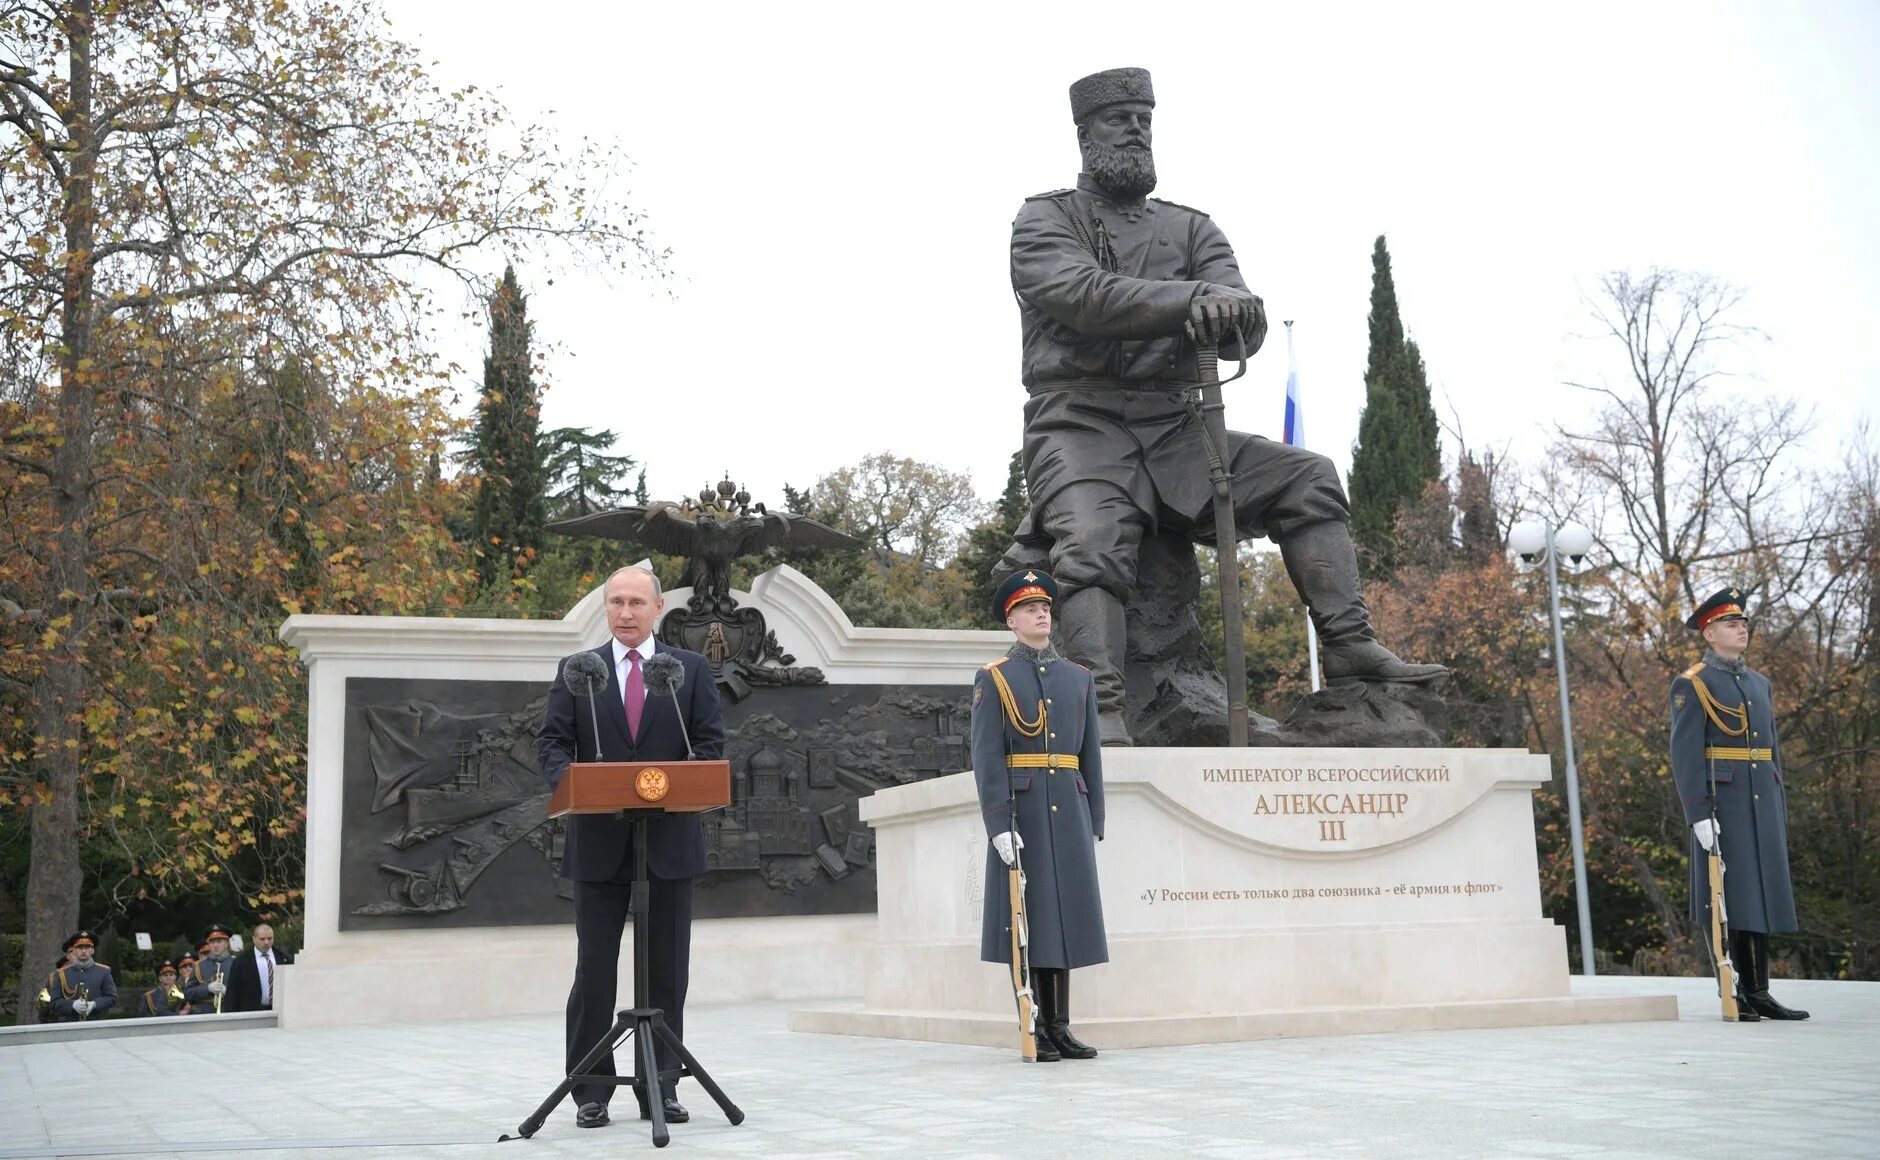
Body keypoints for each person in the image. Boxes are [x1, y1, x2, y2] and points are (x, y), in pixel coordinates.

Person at [1001, 67, 1444, 745]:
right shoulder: (1044, 219)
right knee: (1090, 540)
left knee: (1310, 476)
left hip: (1179, 429)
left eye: (1144, 120)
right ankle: (1100, 704)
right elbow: (1081, 295)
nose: (1136, 131)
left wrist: (1238, 320)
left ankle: (1350, 646)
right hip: (1081, 423)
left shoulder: (1191, 229)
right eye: (1120, 121)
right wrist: (1189, 301)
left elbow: (1242, 311)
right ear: (1086, 135)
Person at [538, 565, 726, 1129]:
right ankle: (590, 1090)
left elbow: (710, 745)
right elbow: (550, 742)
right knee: (594, 971)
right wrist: (569, 784)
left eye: (636, 602)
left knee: (668, 971)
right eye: (616, 601)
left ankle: (661, 1086)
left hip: (668, 844)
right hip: (598, 845)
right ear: (605, 607)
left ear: (658, 607)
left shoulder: (689, 671)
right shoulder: (579, 671)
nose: (625, 612)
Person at [973, 569, 1107, 1061]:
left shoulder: (1078, 678)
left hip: (1068, 808)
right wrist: (997, 823)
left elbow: (1089, 753)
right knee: (1027, 920)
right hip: (1023, 811)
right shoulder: (995, 678)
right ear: (1011, 620)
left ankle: (1061, 1025)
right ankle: (1034, 1027)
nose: (1041, 613)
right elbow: (986, 756)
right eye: (1030, 608)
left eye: (1045, 607)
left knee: (1064, 919)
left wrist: (1094, 816)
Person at [1669, 587, 1808, 1021]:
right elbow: (1685, 752)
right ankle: (1734, 992)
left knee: (1759, 895)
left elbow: (1770, 751)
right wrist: (1697, 811)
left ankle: (1760, 991)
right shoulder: (1693, 683)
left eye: (1744, 624)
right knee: (1725, 897)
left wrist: (1777, 799)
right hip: (1723, 804)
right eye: (1731, 624)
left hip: (1761, 801)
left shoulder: (1758, 683)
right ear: (1710, 634)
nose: (1741, 630)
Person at [45, 930, 118, 1021]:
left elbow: (112, 998)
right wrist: (72, 1005)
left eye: (87, 947)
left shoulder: (104, 971)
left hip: (96, 1023)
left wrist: (94, 1004)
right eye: (79, 947)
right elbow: (54, 1003)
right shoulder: (61, 973)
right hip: (69, 1025)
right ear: (74, 950)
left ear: (93, 950)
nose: (83, 951)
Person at [226, 923, 291, 1012]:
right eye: (262, 939)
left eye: (270, 938)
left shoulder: (283, 958)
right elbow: (232, 991)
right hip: (251, 1010)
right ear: (254, 939)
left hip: (279, 1010)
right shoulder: (242, 962)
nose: (266, 942)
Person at [185, 925, 236, 1014]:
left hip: (229, 1012)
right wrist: (207, 988)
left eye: (219, 942)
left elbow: (246, 993)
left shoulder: (236, 963)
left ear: (226, 944)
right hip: (204, 1014)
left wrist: (228, 991)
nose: (215, 945)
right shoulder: (198, 965)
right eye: (212, 942)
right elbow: (187, 994)